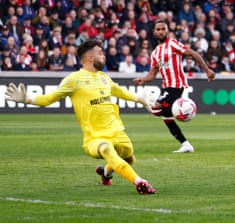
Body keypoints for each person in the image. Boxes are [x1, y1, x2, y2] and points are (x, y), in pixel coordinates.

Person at [5, 40, 156, 195]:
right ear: (90, 58)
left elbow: (120, 91)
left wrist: (139, 99)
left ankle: (106, 172)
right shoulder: (74, 79)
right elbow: (50, 98)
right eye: (100, 53)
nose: (103, 55)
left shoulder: (104, 77)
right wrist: (27, 99)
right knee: (106, 149)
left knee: (130, 159)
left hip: (118, 132)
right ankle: (139, 182)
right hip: (95, 137)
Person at [134, 20, 216, 153]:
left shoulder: (172, 44)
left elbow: (193, 54)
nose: (161, 31)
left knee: (156, 107)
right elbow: (152, 74)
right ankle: (186, 144)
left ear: (167, 31)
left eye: (163, 29)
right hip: (166, 86)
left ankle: (183, 111)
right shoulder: (155, 53)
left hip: (176, 85)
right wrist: (143, 79)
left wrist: (207, 70)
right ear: (154, 32)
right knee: (166, 117)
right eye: (158, 29)